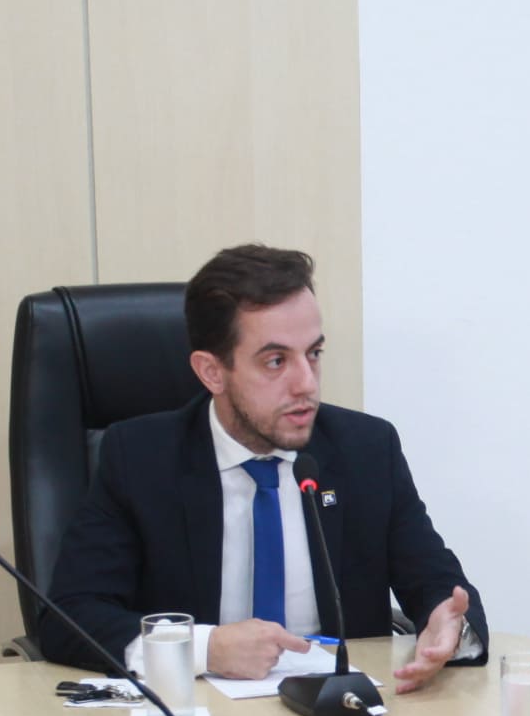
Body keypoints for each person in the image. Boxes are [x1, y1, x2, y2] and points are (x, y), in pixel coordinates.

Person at [43, 243, 485, 688]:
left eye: (313, 353)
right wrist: (204, 647)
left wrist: (448, 627)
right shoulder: (139, 457)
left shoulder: (366, 449)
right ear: (212, 372)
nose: (306, 384)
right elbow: (70, 616)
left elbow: (438, 586)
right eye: (276, 361)